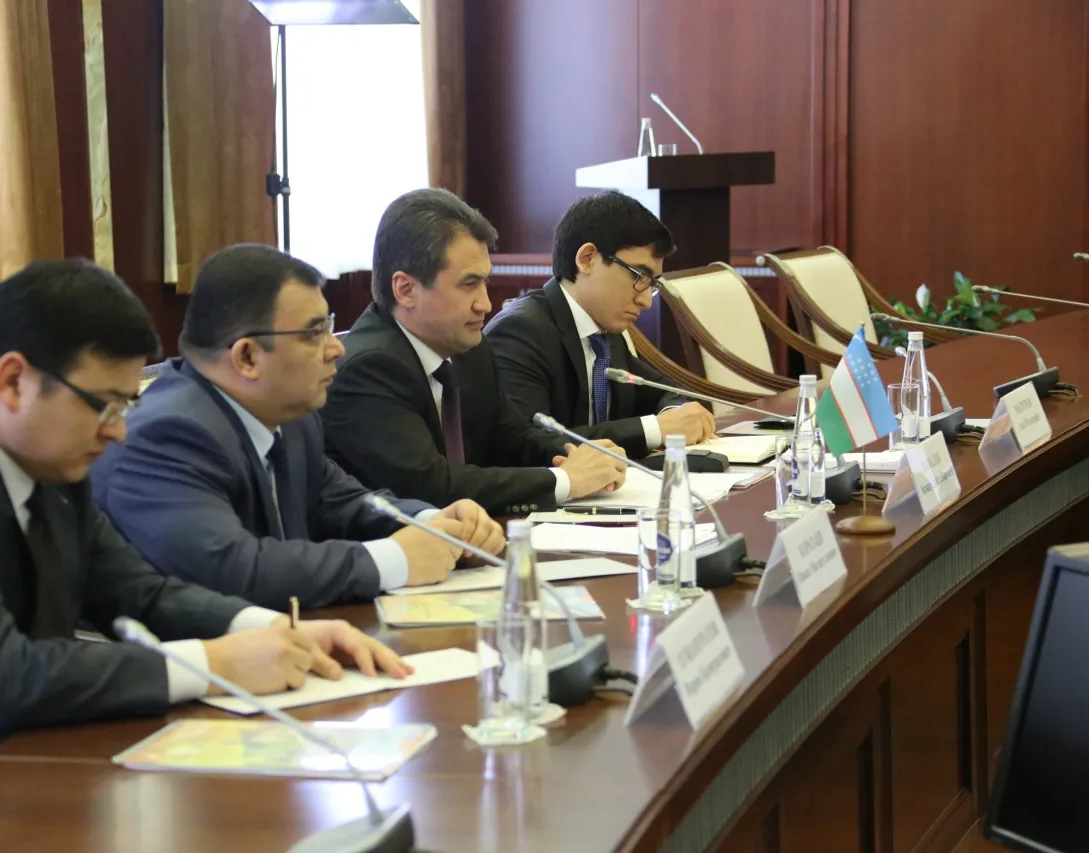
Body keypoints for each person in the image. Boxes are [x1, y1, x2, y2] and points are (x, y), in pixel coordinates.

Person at [0, 259, 408, 797]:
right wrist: (214, 664)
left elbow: (141, 593)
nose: (118, 433)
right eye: (107, 407)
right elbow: (2, 675)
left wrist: (273, 630)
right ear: (14, 382)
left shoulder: (45, 457)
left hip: (41, 760)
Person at [92, 244, 503, 610]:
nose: (336, 347)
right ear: (247, 357)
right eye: (314, 333)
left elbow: (346, 504)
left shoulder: (290, 415)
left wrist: (434, 523)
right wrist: (393, 560)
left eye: (329, 326)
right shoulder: (168, 435)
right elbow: (231, 568)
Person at [321, 188, 627, 516]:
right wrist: (564, 480)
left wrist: (584, 454)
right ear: (406, 289)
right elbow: (430, 485)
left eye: (485, 283)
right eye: (469, 285)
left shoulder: (468, 349)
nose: (485, 304)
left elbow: (514, 437)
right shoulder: (368, 369)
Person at [485, 191, 716, 458]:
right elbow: (528, 444)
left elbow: (666, 391)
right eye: (639, 276)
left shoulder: (604, 332)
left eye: (651, 284)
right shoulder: (519, 332)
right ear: (587, 259)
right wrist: (655, 429)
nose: (645, 301)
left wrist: (674, 414)